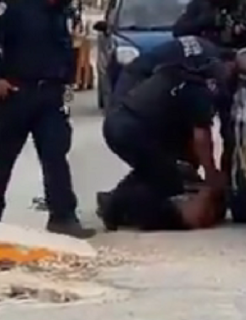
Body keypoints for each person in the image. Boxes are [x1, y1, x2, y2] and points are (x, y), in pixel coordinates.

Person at [0, 0, 95, 239]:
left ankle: (63, 217)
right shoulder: (16, 8)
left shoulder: (62, 12)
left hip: (49, 96)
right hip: (16, 94)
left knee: (56, 157)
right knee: (1, 160)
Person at [97, 47, 227, 231]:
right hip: (131, 129)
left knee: (154, 170)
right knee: (168, 181)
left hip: (120, 121)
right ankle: (121, 209)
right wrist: (211, 177)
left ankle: (114, 201)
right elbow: (201, 138)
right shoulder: (199, 92)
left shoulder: (181, 75)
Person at [172, 0, 246, 185]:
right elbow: (179, 31)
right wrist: (207, 22)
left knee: (233, 134)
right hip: (202, 74)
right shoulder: (200, 6)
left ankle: (229, 180)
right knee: (196, 128)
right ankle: (194, 178)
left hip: (235, 75)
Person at [111, 35, 235, 186]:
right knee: (168, 176)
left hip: (129, 108)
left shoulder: (200, 57)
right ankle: (120, 202)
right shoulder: (198, 86)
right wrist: (211, 174)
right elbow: (201, 134)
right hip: (133, 107)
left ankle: (117, 199)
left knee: (157, 168)